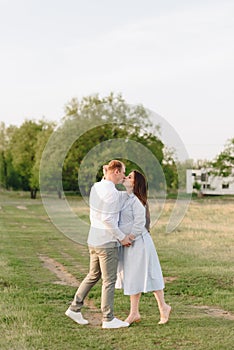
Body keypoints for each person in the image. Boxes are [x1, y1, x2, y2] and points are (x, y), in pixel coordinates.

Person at [65, 160, 134, 329]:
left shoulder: (97, 187)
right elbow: (108, 218)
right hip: (106, 242)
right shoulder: (111, 192)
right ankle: (108, 319)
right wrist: (121, 237)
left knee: (93, 275)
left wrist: (129, 189)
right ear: (116, 172)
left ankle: (75, 308)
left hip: (94, 240)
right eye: (123, 172)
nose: (124, 176)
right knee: (109, 281)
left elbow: (119, 199)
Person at [115, 170, 171, 325]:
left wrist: (129, 238)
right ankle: (134, 313)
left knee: (150, 273)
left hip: (139, 242)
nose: (126, 177)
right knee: (133, 276)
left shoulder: (139, 201)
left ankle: (163, 306)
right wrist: (108, 173)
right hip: (129, 243)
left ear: (135, 183)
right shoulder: (125, 197)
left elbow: (140, 224)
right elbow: (107, 186)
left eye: (130, 177)